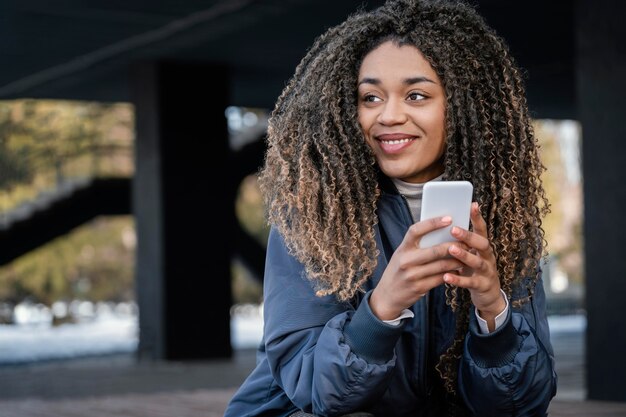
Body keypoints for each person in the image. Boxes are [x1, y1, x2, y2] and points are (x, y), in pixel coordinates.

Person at [224, 0, 557, 415]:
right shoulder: (314, 213)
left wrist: (493, 311)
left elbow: (522, 404)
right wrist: (381, 309)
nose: (389, 115)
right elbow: (316, 391)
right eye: (370, 97)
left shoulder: (503, 223)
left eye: (416, 95)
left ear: (463, 105)